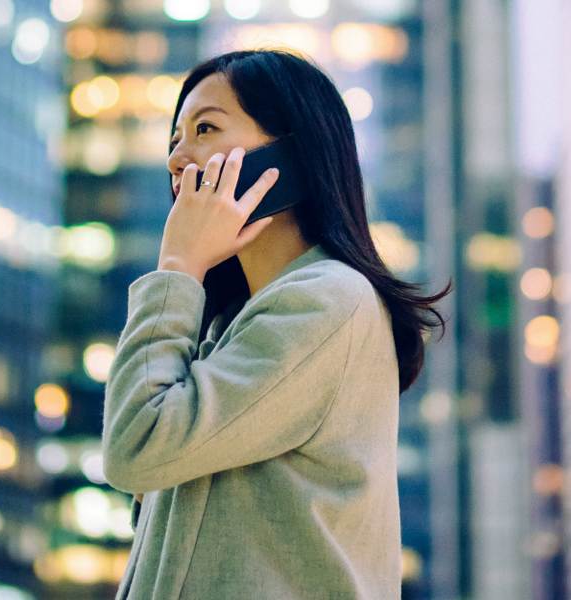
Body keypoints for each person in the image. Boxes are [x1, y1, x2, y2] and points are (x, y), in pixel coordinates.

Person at [100, 49, 448, 600]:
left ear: (288, 156)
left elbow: (136, 446)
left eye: (205, 129)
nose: (177, 159)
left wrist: (178, 266)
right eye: (174, 139)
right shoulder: (226, 329)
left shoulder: (329, 302)